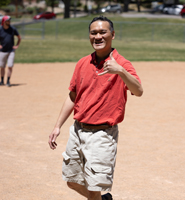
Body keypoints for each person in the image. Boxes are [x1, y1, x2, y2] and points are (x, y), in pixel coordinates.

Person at [48, 16, 143, 200]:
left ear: (113, 35)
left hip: (102, 134)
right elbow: (73, 96)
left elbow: (138, 91)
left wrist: (121, 72)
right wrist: (57, 125)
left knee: (93, 189)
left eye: (103, 32)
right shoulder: (83, 63)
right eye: (94, 33)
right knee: (72, 181)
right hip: (78, 131)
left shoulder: (122, 64)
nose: (98, 36)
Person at [0, 16, 21, 87]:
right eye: (7, 21)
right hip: (2, 51)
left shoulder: (13, 29)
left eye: (9, 20)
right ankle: (2, 81)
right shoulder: (0, 29)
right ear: (3, 22)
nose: (9, 22)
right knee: (2, 66)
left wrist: (17, 45)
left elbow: (19, 37)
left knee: (10, 66)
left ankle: (8, 81)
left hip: (11, 50)